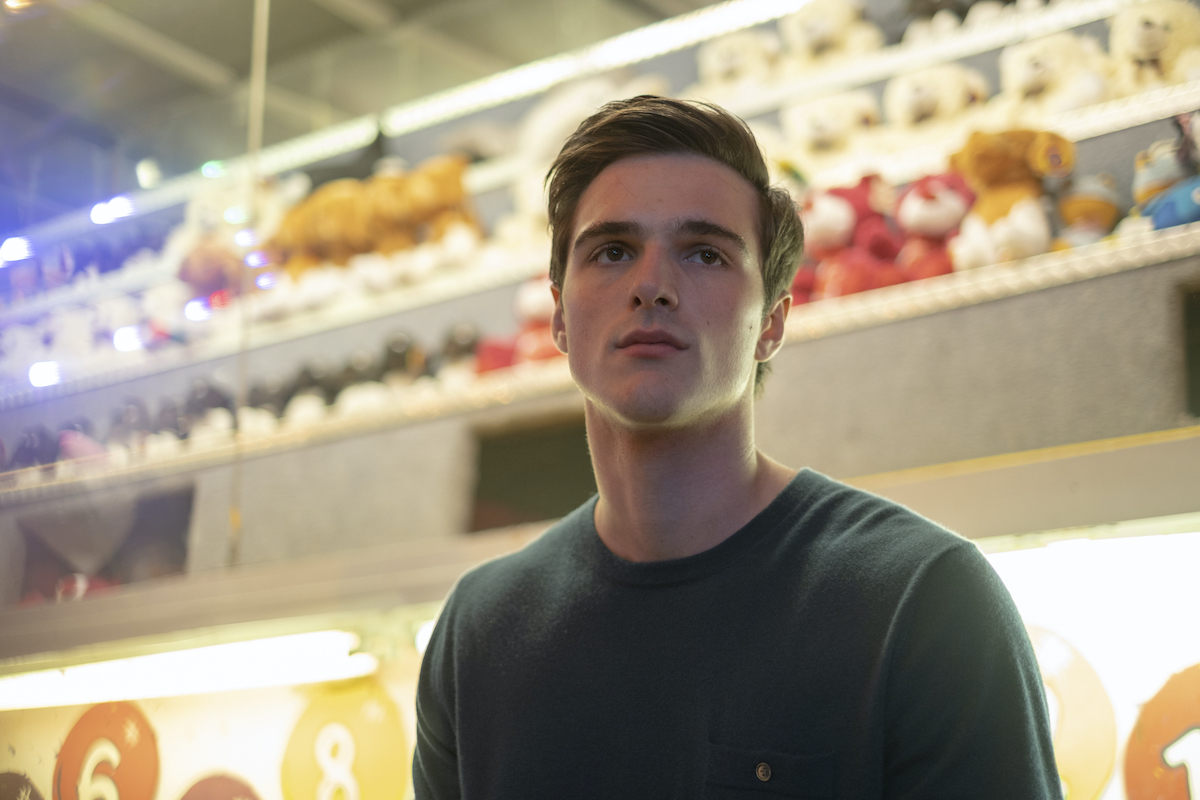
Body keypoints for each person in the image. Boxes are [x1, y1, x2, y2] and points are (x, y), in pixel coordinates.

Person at [413, 95, 1060, 799]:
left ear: (772, 321)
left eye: (704, 253)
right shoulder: (477, 634)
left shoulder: (922, 601)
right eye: (612, 251)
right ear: (560, 313)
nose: (652, 286)